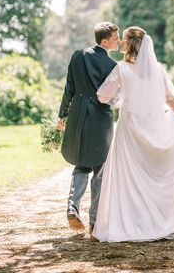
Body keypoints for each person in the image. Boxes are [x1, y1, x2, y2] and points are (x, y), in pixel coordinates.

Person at [93, 26, 174, 242]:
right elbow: (171, 100)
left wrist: (120, 97)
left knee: (131, 178)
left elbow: (103, 97)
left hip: (131, 130)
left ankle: (135, 221)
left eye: (123, 38)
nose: (121, 41)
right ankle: (160, 219)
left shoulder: (121, 69)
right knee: (155, 174)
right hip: (154, 125)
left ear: (130, 43)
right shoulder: (157, 70)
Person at [58, 22, 120, 234]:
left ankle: (72, 207)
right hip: (101, 119)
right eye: (115, 38)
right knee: (100, 168)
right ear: (105, 42)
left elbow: (69, 88)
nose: (119, 41)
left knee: (81, 162)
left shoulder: (77, 56)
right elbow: (111, 98)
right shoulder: (112, 66)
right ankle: (95, 221)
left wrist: (62, 115)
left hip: (77, 115)